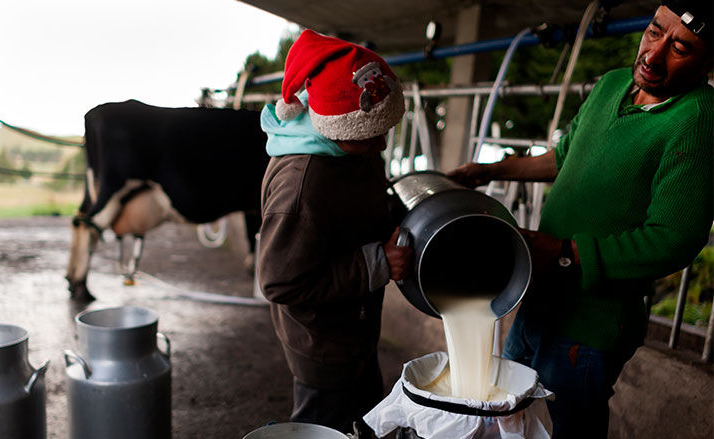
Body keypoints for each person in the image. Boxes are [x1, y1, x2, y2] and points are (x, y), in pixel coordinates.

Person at [448, 1, 712, 437]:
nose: (653, 54)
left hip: (589, 328)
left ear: (707, 61)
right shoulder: (611, 85)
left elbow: (675, 238)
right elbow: (564, 158)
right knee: (506, 421)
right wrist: (489, 170)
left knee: (565, 428)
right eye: (653, 31)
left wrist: (567, 255)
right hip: (537, 300)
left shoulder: (698, 118)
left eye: (680, 47)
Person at [257, 29, 412, 435]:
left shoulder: (348, 144)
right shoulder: (302, 187)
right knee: (322, 429)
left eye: (385, 130)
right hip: (322, 348)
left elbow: (359, 204)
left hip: (355, 328)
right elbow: (279, 282)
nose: (380, 144)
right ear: (334, 127)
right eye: (369, 136)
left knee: (366, 423)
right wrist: (378, 262)